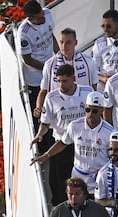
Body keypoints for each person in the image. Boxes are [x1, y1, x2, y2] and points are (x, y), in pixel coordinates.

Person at [30, 64, 92, 205]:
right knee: (60, 181)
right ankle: (62, 209)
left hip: (82, 144)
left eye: (64, 81)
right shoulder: (52, 98)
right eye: (58, 81)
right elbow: (45, 123)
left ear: (73, 79)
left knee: (83, 179)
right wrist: (40, 134)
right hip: (60, 145)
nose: (61, 84)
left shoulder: (87, 92)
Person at [31, 91, 113, 197]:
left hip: (99, 179)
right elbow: (63, 142)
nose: (90, 114)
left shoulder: (109, 131)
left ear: (102, 110)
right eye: (87, 110)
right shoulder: (75, 126)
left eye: (94, 111)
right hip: (78, 178)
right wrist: (46, 155)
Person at [34, 27, 98, 117]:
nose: (64, 46)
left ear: (75, 43)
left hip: (81, 114)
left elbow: (94, 88)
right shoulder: (50, 64)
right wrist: (38, 107)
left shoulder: (89, 62)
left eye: (68, 42)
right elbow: (43, 91)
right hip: (60, 116)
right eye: (61, 42)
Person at [16, 0, 58, 124]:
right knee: (40, 113)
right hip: (35, 80)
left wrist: (60, 56)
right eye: (39, 19)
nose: (43, 19)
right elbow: (27, 59)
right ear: (30, 18)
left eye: (42, 15)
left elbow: (51, 36)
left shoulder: (48, 14)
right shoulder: (24, 33)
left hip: (51, 72)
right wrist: (46, 68)